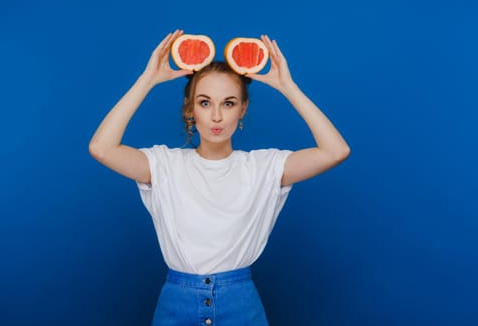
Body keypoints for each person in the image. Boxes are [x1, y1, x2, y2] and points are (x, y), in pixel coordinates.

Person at [89, 29, 350, 325]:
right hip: (176, 305)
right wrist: (147, 79)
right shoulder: (163, 165)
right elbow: (101, 147)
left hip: (241, 306)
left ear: (242, 109)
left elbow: (336, 150)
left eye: (228, 103)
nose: (216, 116)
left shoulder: (264, 167)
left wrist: (287, 86)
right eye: (204, 102)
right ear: (190, 110)